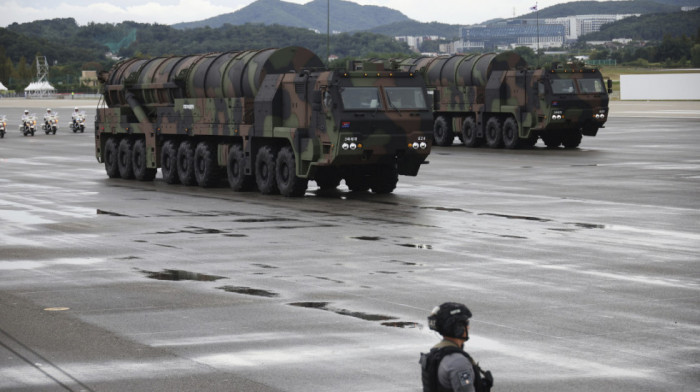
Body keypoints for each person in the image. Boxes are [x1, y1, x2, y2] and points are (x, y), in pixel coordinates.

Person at [419, 302, 493, 392]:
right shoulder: (458, 362)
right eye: (467, 323)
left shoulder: (436, 353)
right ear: (458, 328)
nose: (468, 328)